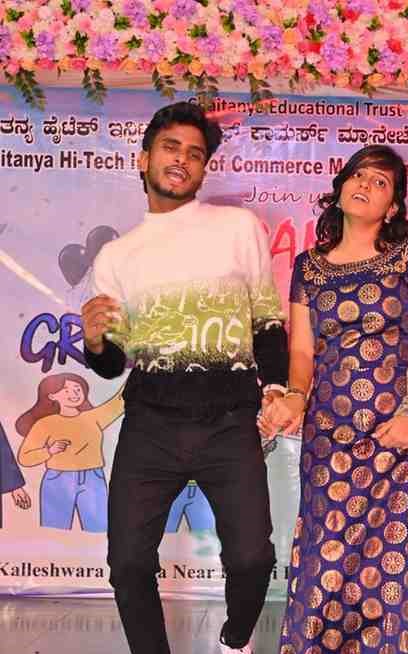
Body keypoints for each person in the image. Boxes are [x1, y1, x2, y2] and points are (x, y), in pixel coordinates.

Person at [259, 145, 408, 653]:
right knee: (327, 553)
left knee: (399, 555)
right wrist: (296, 395)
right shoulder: (309, 267)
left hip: (397, 432)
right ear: (340, 188)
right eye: (359, 175)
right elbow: (302, 349)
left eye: (380, 182)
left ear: (392, 206)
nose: (365, 186)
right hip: (330, 435)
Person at [80, 102, 288, 654]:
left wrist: (278, 388)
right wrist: (96, 342)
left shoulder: (239, 227)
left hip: (230, 422)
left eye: (195, 154)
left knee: (253, 558)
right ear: (144, 158)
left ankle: (235, 640)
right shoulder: (116, 256)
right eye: (171, 147)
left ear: (203, 169)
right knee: (127, 563)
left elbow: (268, 322)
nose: (182, 159)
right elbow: (112, 362)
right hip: (149, 424)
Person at [16, 373, 122, 532]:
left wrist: (141, 369)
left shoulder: (93, 417)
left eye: (78, 389)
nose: (74, 394)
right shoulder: (45, 423)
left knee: (99, 530)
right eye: (66, 390)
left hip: (93, 478)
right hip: (57, 479)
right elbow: (24, 457)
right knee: (54, 530)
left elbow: (119, 402)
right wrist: (49, 451)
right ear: (52, 396)